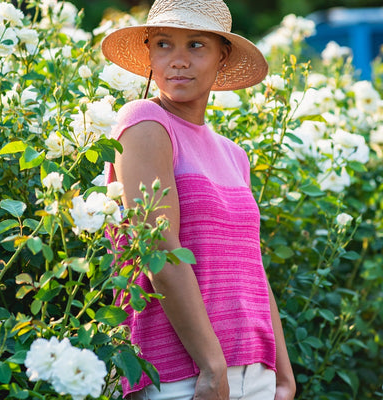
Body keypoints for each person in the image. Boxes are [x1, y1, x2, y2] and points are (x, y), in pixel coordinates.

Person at [102, 0, 296, 399]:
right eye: (163, 44)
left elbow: (252, 268)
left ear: (222, 58)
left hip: (254, 371)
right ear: (149, 54)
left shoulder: (233, 154)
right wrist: (212, 367)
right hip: (180, 374)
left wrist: (282, 375)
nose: (178, 60)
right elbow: (159, 250)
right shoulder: (144, 123)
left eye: (195, 45)